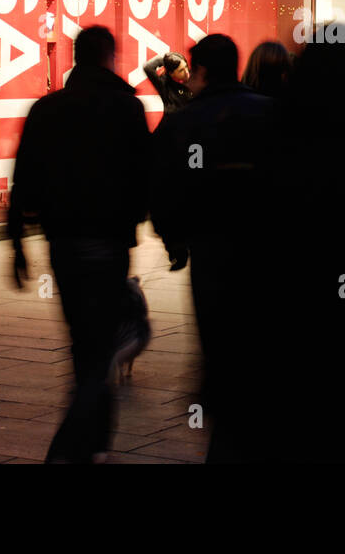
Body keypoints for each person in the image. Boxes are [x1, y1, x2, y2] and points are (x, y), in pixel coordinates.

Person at [10, 25, 151, 463]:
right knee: (97, 350)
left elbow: (24, 179)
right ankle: (72, 448)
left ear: (75, 57)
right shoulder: (127, 108)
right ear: (110, 57)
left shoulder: (48, 108)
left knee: (85, 343)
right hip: (109, 243)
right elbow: (144, 175)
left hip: (65, 244)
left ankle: (94, 444)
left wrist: (15, 242)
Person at [150, 34, 283, 461]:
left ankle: (227, 433)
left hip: (212, 254)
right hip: (266, 253)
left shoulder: (187, 121)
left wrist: (175, 239)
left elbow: (164, 187)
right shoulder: (271, 113)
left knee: (220, 344)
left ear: (203, 71)